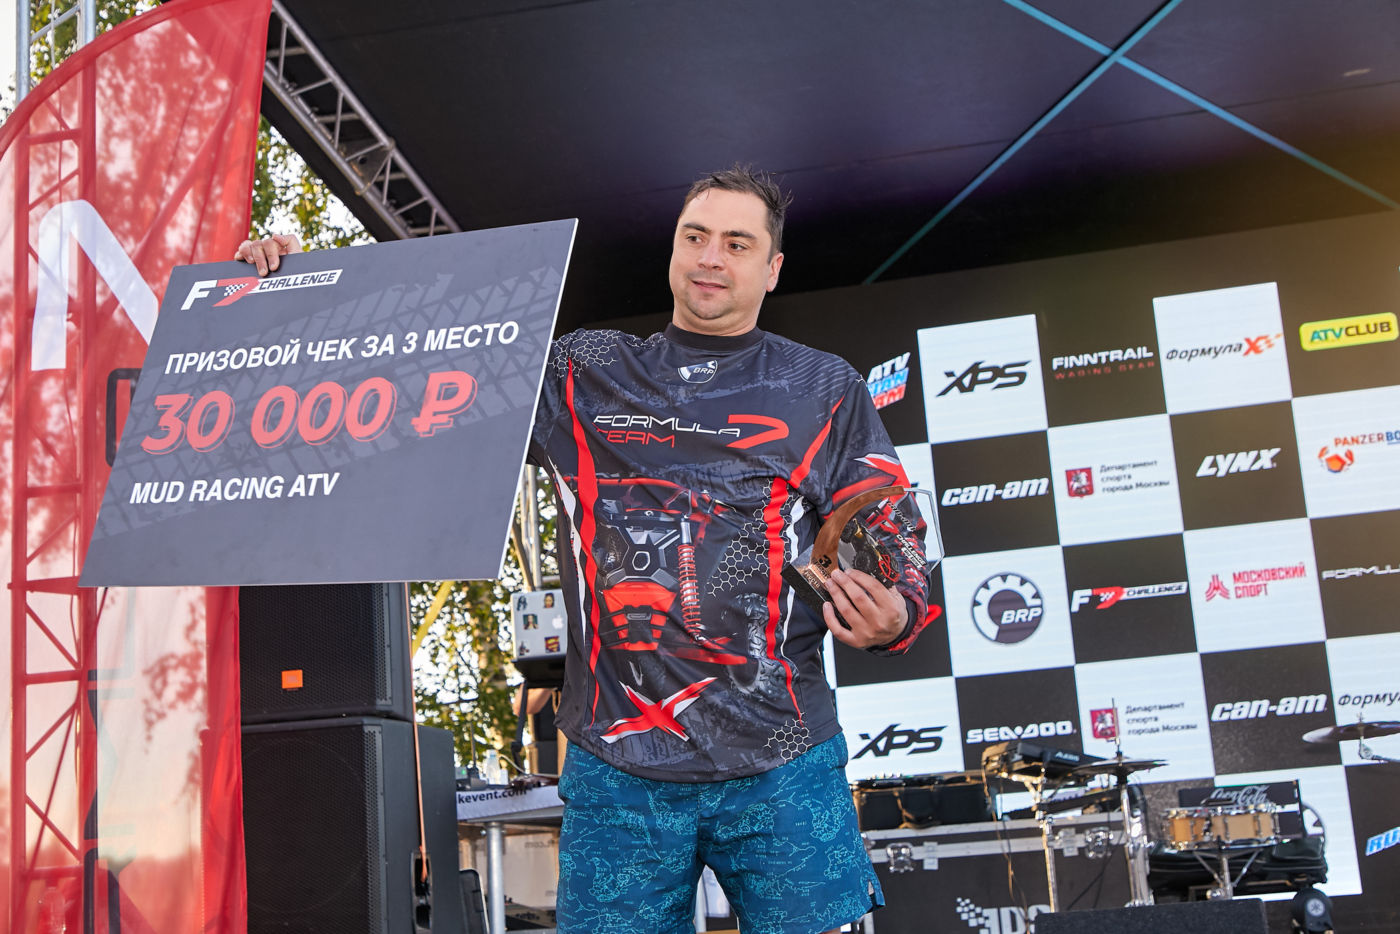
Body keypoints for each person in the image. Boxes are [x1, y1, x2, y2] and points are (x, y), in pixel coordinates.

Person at [237, 166, 934, 934]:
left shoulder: (822, 385)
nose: (710, 257)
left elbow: (894, 533)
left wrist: (896, 615)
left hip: (782, 761)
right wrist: (298, 290)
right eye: (695, 236)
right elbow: (419, 366)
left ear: (771, 269)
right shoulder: (584, 370)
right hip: (619, 767)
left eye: (737, 244)